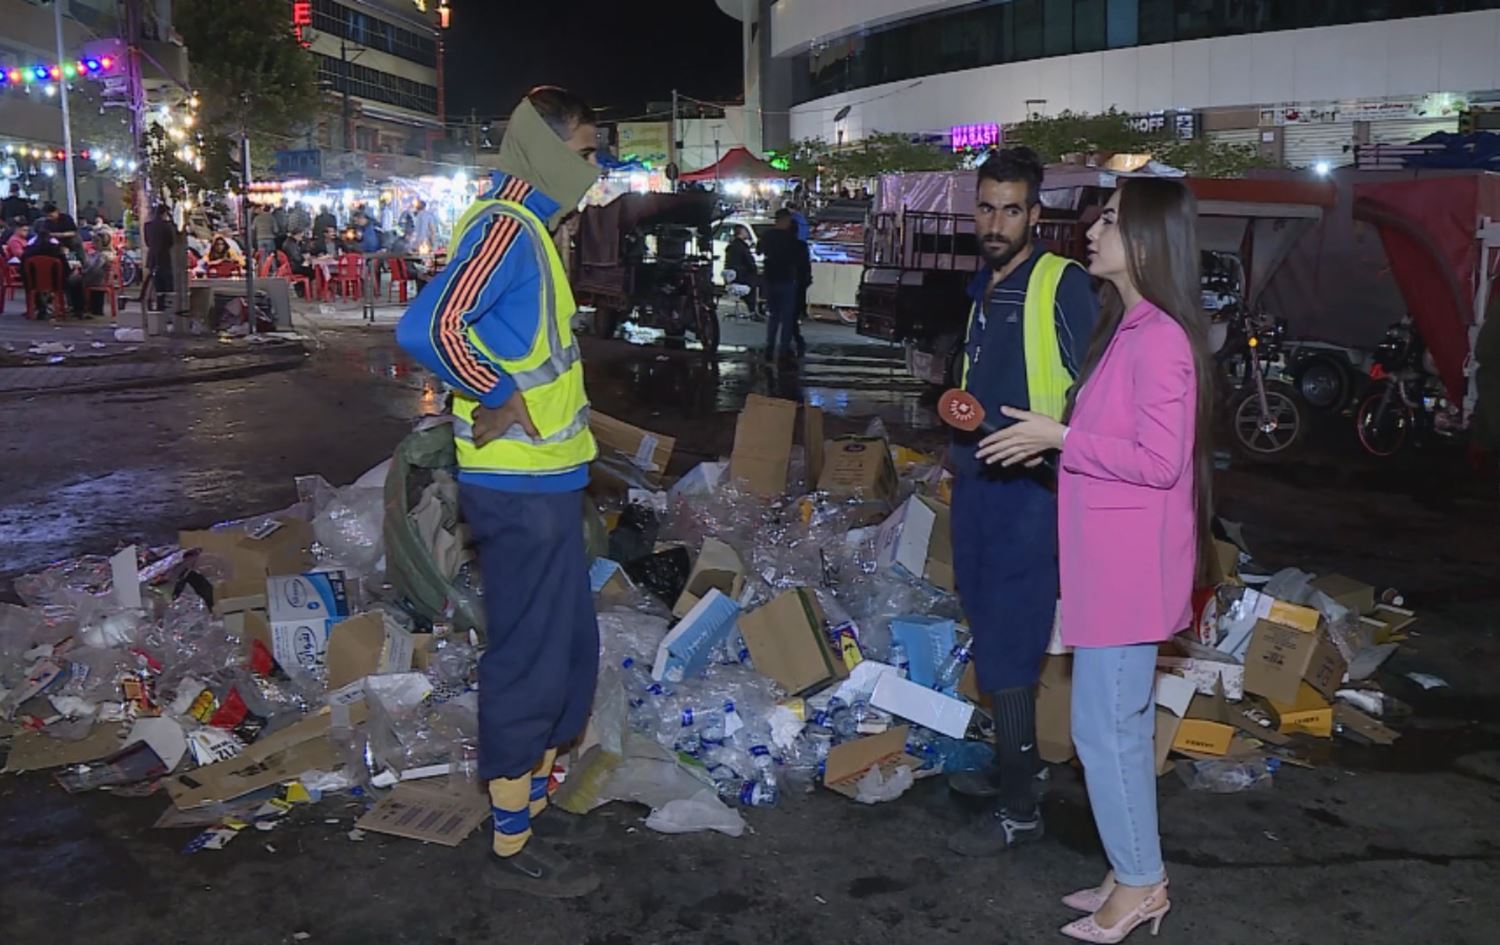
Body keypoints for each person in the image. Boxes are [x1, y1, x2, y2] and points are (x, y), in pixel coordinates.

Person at [978, 178, 1211, 942]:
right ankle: (1130, 865)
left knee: (1104, 729)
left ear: (1145, 239)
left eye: (1109, 219)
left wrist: (1060, 438)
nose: (1092, 230)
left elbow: (1159, 461)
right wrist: (1053, 439)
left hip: (1128, 570)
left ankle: (1142, 882)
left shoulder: (1163, 338)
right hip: (1108, 564)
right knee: (1113, 725)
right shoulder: (1130, 326)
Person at [395, 86, 604, 898]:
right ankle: (512, 837)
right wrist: (491, 393)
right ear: (548, 150)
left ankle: (534, 798)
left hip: (548, 477)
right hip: (515, 483)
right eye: (585, 149)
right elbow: (428, 325)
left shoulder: (534, 231)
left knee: (567, 648)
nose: (594, 166)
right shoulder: (507, 228)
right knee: (528, 651)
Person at [944, 147, 1098, 855]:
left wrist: (1056, 443)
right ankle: (1018, 766)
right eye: (986, 207)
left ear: (1036, 214)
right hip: (977, 485)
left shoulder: (1061, 282)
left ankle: (1020, 803)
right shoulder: (984, 282)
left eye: (1012, 209)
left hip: (1030, 497)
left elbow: (1099, 388)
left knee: (1011, 640)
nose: (996, 221)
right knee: (988, 624)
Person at [759, 209, 808, 359]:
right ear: (786, 220)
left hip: (770, 278)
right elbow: (801, 261)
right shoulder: (793, 240)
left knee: (773, 315)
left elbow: (760, 251)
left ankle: (770, 346)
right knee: (787, 316)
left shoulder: (767, 236)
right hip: (786, 279)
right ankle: (784, 348)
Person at [144, 205, 177, 313]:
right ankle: (169, 310)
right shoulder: (168, 226)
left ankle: (159, 308)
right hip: (165, 258)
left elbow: (147, 242)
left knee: (158, 287)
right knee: (168, 287)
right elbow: (171, 242)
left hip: (152, 258)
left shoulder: (147, 226)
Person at [723, 224, 760, 316]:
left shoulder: (731, 246)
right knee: (757, 280)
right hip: (741, 277)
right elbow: (750, 263)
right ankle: (754, 310)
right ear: (741, 232)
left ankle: (753, 309)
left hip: (732, 277)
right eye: (745, 231)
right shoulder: (742, 247)